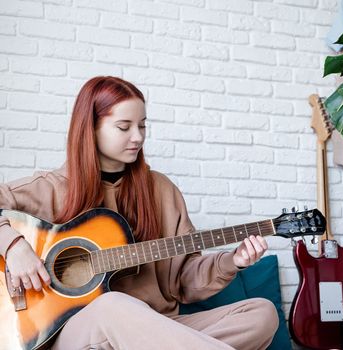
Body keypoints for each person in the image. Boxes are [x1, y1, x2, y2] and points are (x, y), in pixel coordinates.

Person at [0, 76, 279, 350]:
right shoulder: (48, 188)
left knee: (261, 313)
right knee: (112, 305)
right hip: (77, 333)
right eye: (124, 127)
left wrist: (232, 261)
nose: (138, 137)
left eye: (142, 126)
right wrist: (13, 246)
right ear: (91, 128)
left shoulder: (161, 190)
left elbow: (184, 279)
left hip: (158, 331)